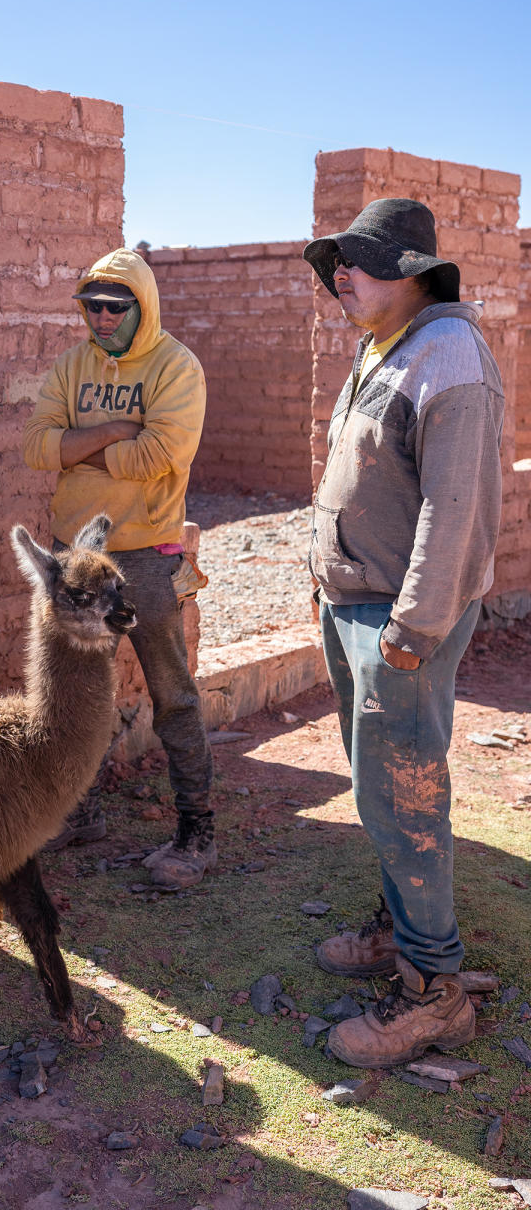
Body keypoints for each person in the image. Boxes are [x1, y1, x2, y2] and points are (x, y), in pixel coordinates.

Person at [302, 198, 504, 1067]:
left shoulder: (450, 354)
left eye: (361, 260)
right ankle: (403, 929)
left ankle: (434, 991)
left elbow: (454, 511)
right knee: (383, 791)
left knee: (406, 797)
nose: (342, 274)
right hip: (357, 608)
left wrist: (412, 628)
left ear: (414, 269)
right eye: (337, 262)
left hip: (396, 620)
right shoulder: (387, 345)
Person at [23, 246, 213, 889]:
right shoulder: (73, 365)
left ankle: (195, 829)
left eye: (115, 307)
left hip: (145, 554)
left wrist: (77, 448)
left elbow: (159, 454)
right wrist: (109, 432)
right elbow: (36, 448)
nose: (101, 318)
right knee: (76, 691)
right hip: (76, 558)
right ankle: (80, 811)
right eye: (92, 307)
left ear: (142, 307)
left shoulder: (175, 367)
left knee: (172, 692)